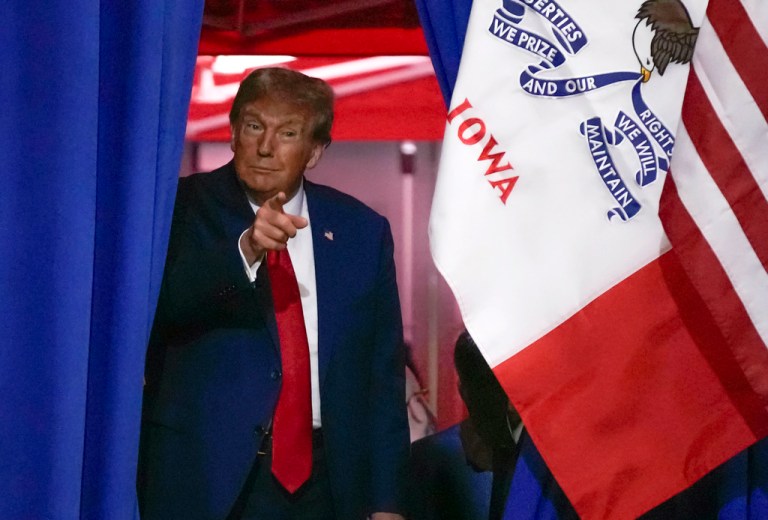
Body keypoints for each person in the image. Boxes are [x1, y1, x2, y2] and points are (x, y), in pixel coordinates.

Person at [138, 67, 409, 520]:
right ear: (232, 133)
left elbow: (382, 379)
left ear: (315, 151)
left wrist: (387, 503)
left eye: (287, 133)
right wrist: (245, 250)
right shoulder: (175, 209)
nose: (266, 147)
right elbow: (159, 309)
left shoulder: (362, 231)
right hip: (206, 480)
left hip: (328, 486)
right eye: (253, 126)